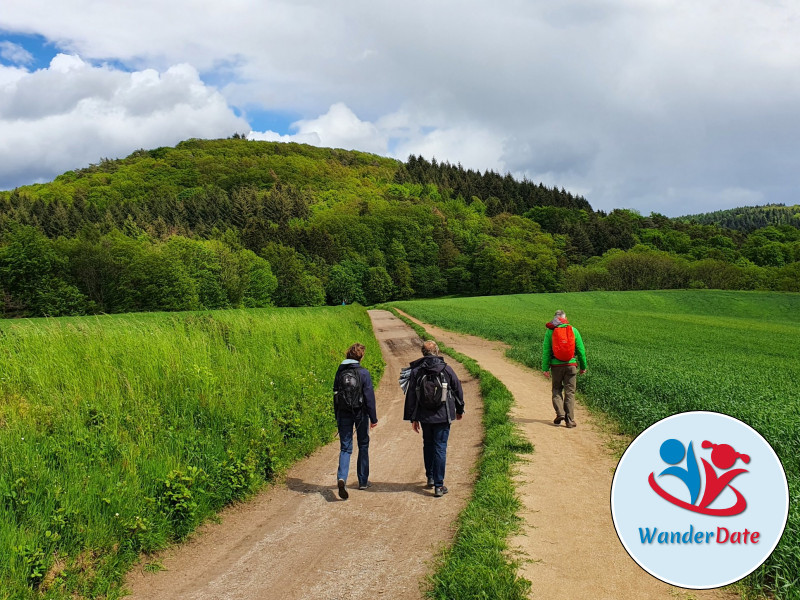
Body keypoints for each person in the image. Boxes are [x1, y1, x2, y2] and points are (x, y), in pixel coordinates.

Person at [403, 340, 464, 497]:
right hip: (443, 415)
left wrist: (413, 418)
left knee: (428, 445)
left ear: (423, 353)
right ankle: (439, 485)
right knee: (440, 447)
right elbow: (457, 389)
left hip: (424, 416)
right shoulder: (446, 369)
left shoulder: (417, 371)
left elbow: (411, 395)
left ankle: (430, 477)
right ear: (437, 351)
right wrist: (460, 409)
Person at [333, 343, 378, 500]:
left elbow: (335, 395)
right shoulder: (364, 373)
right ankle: (363, 481)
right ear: (361, 357)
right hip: (361, 413)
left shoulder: (340, 372)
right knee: (363, 445)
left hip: (343, 413)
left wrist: (337, 416)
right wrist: (373, 417)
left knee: (345, 448)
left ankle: (342, 478)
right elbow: (369, 397)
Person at [542, 310, 587, 428]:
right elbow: (581, 351)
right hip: (571, 366)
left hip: (556, 366)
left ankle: (560, 413)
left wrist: (545, 368)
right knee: (570, 392)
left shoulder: (550, 331)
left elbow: (546, 351)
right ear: (565, 318)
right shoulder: (573, 330)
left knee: (556, 389)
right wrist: (583, 366)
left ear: (555, 319)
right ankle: (570, 420)